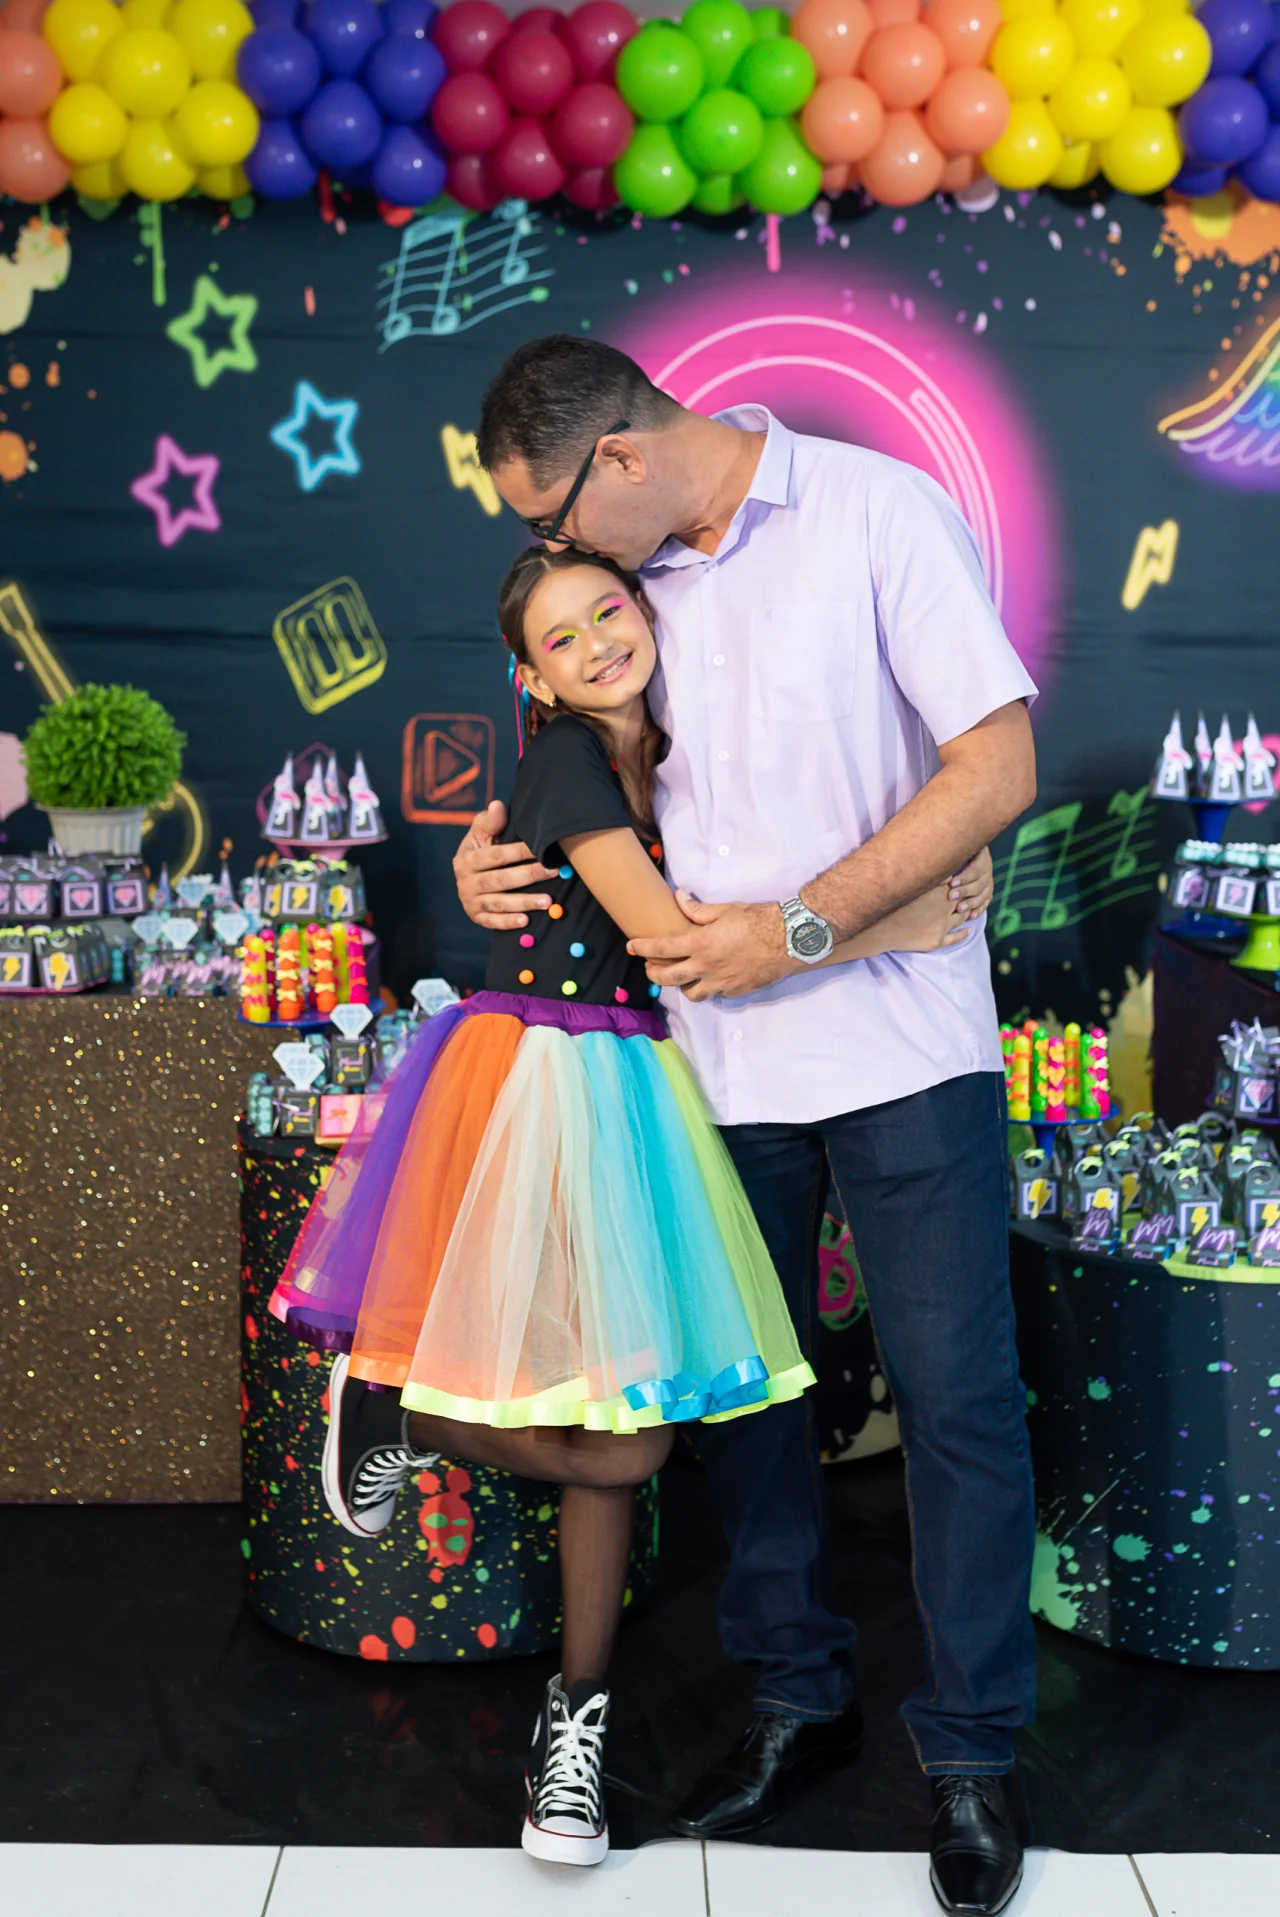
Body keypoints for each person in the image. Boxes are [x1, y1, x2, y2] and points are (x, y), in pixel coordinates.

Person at [268, 544, 976, 1871]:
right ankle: (400, 1411)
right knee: (627, 1446)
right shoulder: (563, 763)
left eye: (608, 610)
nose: (598, 641)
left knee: (619, 1419)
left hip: (645, 1090)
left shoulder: (673, 753)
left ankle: (576, 1729)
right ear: (530, 675)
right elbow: (677, 941)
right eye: (561, 636)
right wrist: (901, 921)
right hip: (547, 1085)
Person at [454, 336, 1041, 1917]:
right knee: (750, 1407)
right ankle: (797, 1694)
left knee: (957, 1400)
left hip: (909, 1052)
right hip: (710, 1071)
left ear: (620, 457)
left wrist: (805, 928)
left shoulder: (878, 510)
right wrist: (488, 858)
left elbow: (997, 762)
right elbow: (577, 777)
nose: (557, 552)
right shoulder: (624, 600)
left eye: (554, 515)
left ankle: (972, 1751)